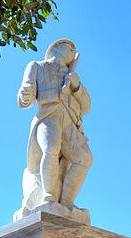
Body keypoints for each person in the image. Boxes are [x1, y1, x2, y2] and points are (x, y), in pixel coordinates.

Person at [16, 39, 93, 218]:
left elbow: (87, 107)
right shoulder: (36, 66)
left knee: (85, 159)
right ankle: (49, 197)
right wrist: (25, 95)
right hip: (48, 114)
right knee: (50, 148)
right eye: (69, 47)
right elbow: (24, 98)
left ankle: (66, 203)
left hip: (71, 122)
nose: (73, 50)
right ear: (56, 47)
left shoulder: (72, 76)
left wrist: (77, 86)